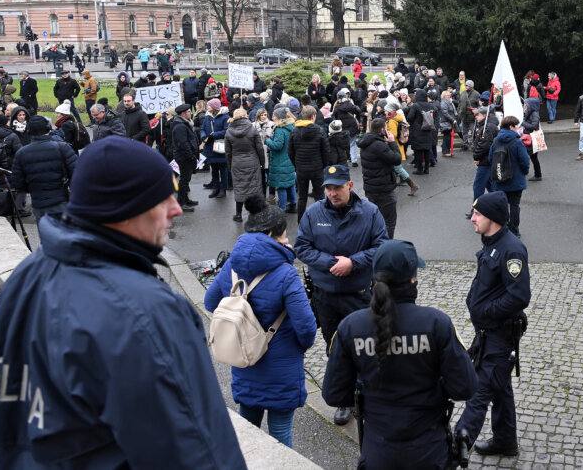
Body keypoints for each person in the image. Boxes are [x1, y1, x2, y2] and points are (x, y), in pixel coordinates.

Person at [0, 137, 246, 468]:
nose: (176, 207)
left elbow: (3, 399)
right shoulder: (145, 313)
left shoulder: (26, 275)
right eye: (162, 197)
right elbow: (197, 451)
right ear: (125, 207)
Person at [322, 239, 477, 468]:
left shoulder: (350, 327)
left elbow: (334, 394)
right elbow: (465, 387)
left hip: (378, 452)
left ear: (374, 276)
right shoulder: (436, 323)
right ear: (412, 278)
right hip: (429, 451)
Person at [204, 194, 317, 448]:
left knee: (248, 435)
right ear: (271, 235)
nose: (287, 239)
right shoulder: (285, 273)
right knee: (280, 435)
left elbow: (211, 303)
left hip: (244, 360)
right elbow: (307, 328)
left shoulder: (232, 264)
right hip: (282, 368)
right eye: (284, 234)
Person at [294, 164, 387, 425]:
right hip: (325, 297)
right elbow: (302, 246)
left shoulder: (370, 212)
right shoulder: (314, 213)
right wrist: (329, 263)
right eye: (328, 188)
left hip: (358, 295)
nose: (332, 193)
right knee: (334, 347)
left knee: (364, 346)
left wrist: (353, 263)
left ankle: (365, 396)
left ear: (350, 186)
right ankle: (345, 400)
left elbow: (382, 246)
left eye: (337, 187)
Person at [455, 191, 531, 458]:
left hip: (499, 335)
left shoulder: (511, 249)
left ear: (494, 219)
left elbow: (519, 296)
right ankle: (505, 440)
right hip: (487, 333)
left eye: (478, 214)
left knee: (480, 390)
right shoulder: (491, 241)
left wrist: (486, 312)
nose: (473, 219)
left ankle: (454, 451)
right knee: (500, 387)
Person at [358, 117, 403, 237]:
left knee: (376, 220)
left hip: (371, 187)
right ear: (382, 130)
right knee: (389, 221)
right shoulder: (379, 145)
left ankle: (376, 245)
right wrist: (392, 142)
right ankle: (386, 248)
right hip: (383, 189)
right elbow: (397, 159)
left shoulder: (365, 142)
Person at [487, 115, 530, 234]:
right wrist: (524, 172)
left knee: (502, 205)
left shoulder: (496, 140)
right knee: (515, 205)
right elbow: (524, 161)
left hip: (500, 179)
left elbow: (491, 158)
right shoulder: (517, 142)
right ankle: (514, 230)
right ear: (511, 127)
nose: (518, 128)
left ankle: (503, 228)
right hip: (515, 180)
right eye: (516, 126)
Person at [226, 107, 266, 222]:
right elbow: (259, 148)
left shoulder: (229, 131)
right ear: (244, 116)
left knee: (239, 188)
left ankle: (238, 214)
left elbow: (228, 152)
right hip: (252, 161)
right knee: (254, 188)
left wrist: (230, 165)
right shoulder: (252, 129)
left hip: (237, 163)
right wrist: (262, 163)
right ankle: (256, 214)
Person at [288, 105, 331, 212]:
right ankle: (320, 220)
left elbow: (290, 151)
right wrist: (323, 165)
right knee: (320, 196)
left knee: (302, 197)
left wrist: (296, 164)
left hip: (301, 169)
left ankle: (301, 222)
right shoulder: (320, 130)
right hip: (317, 168)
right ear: (313, 117)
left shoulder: (294, 131)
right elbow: (326, 151)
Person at [265, 107, 298, 213]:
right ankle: (293, 205)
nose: (272, 117)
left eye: (274, 115)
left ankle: (281, 209)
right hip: (289, 159)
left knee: (281, 185)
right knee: (290, 183)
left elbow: (277, 146)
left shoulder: (280, 129)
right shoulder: (291, 127)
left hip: (280, 161)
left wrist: (268, 141)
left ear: (279, 117)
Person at [170, 103, 199, 212]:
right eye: (188, 112)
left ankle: (185, 200)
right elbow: (183, 143)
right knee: (184, 180)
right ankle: (181, 203)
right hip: (184, 157)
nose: (191, 113)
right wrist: (191, 155)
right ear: (183, 114)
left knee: (186, 179)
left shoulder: (184, 123)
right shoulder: (180, 126)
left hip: (186, 156)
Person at [201, 98, 230, 198]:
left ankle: (223, 189)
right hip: (210, 146)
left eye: (209, 105)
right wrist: (203, 135)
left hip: (220, 146)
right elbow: (203, 129)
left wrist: (214, 135)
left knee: (223, 169)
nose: (207, 107)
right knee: (213, 169)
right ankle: (215, 188)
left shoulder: (225, 117)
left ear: (214, 107)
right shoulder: (207, 117)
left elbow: (227, 131)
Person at [522, 96, 544, 182]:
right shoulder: (529, 112)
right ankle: (534, 173)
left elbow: (534, 126)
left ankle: (538, 175)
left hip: (532, 139)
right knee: (531, 157)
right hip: (529, 138)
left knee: (533, 157)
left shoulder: (534, 114)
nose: (525, 106)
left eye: (526, 105)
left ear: (531, 105)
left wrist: (523, 123)